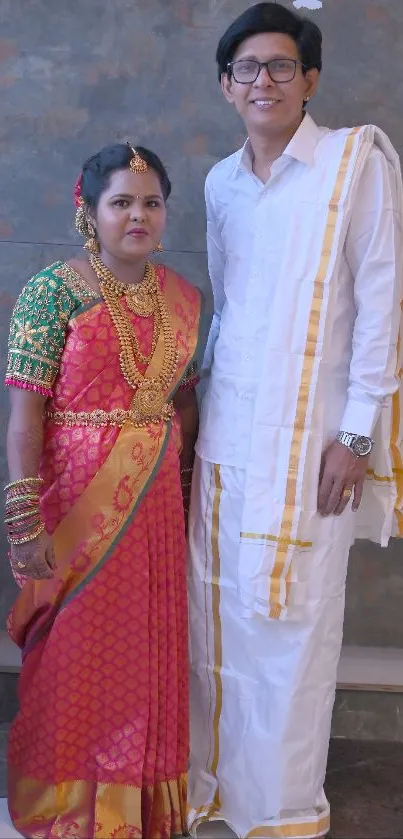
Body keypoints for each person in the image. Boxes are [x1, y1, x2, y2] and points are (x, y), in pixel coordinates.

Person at [187, 3, 403, 837]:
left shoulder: (355, 166)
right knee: (218, 613)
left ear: (309, 80)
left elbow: (383, 305)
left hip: (313, 443)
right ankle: (215, 791)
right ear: (225, 86)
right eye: (247, 69)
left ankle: (278, 810)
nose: (263, 81)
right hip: (228, 438)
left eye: (281, 67)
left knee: (292, 624)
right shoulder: (219, 182)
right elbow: (228, 305)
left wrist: (356, 434)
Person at [4, 143, 203, 839]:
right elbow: (25, 413)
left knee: (143, 651)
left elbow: (182, 406)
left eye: (151, 202)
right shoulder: (50, 291)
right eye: (121, 202)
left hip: (152, 509)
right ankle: (69, 805)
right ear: (88, 210)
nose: (138, 215)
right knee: (72, 653)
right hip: (75, 506)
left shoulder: (183, 300)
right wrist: (23, 519)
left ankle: (138, 804)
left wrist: (183, 493)